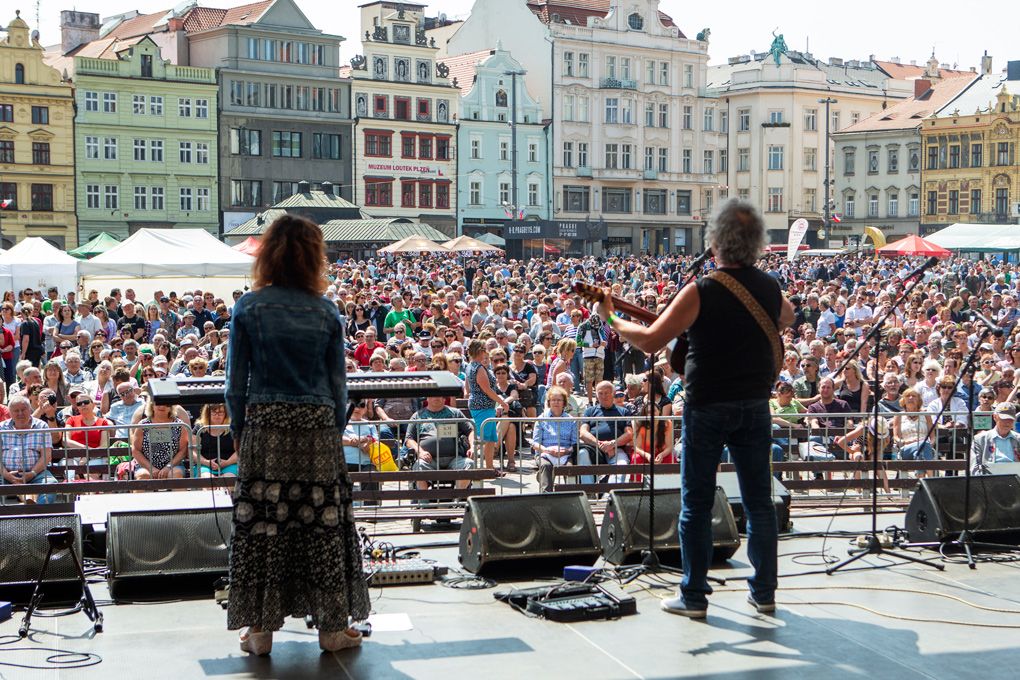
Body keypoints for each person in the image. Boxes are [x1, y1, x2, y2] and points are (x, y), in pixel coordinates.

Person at [594, 199, 794, 618]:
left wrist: (610, 318)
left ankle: (694, 597)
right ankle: (765, 592)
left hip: (707, 406)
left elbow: (649, 341)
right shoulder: (769, 287)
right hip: (755, 405)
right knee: (759, 502)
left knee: (697, 503)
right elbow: (788, 316)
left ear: (715, 242)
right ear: (757, 242)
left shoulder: (702, 289)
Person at [224, 215, 368, 655]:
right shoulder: (326, 311)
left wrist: (240, 429)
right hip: (318, 428)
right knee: (321, 523)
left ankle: (261, 633)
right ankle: (331, 630)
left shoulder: (249, 306)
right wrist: (332, 429)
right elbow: (339, 384)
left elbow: (235, 384)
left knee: (265, 523)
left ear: (267, 255)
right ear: (314, 258)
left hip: (266, 426)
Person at [404, 395, 475, 489]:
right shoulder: (417, 416)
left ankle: (457, 499)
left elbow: (470, 430)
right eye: (433, 395)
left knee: (469, 464)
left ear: (445, 398)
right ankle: (424, 502)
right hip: (428, 460)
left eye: (440, 395)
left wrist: (472, 447)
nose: (436, 397)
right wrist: (420, 452)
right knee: (419, 467)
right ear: (427, 398)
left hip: (455, 458)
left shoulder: (455, 413)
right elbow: (409, 439)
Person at [0, 396, 57, 504]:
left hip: (36, 473)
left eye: (23, 409)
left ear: (30, 410)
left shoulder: (41, 426)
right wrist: (7, 475)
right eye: (16, 410)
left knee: (50, 484)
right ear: (10, 413)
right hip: (5, 474)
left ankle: (38, 515)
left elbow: (46, 456)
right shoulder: (1, 428)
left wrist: (32, 473)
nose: (20, 413)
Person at [465, 338, 509, 474]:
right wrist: (502, 402)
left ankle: (489, 468)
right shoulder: (477, 368)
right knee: (482, 437)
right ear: (479, 351)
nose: (486, 352)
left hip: (485, 406)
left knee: (490, 438)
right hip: (481, 406)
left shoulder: (472, 366)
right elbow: (487, 390)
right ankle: (472, 463)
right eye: (484, 349)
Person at [970, 403, 1020, 474]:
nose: (1007, 422)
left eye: (1010, 419)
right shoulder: (979, 439)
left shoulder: (1018, 439)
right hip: (989, 481)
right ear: (995, 417)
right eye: (1004, 419)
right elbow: (974, 468)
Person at [193, 404, 237, 477]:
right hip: (204, 465)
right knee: (207, 479)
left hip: (230, 464)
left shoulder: (232, 427)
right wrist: (206, 462)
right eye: (214, 412)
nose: (217, 415)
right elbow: (192, 451)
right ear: (207, 413)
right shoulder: (199, 427)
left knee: (228, 478)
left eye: (220, 412)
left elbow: (240, 450)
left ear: (226, 414)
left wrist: (227, 462)